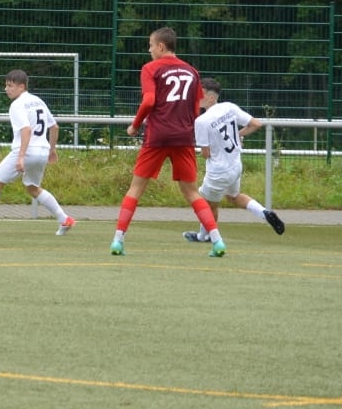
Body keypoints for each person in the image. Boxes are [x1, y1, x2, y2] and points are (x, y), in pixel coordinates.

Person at [112, 27, 224, 257]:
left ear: (161, 46)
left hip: (158, 135)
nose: (149, 50)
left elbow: (149, 100)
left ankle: (117, 240)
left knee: (136, 188)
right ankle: (217, 240)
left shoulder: (150, 68)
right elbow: (195, 108)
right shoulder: (192, 72)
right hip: (183, 136)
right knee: (192, 192)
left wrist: (135, 124)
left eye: (151, 45)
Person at [0, 70, 76, 236]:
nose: (6, 89)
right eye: (6, 85)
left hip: (27, 151)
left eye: (10, 85)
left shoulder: (17, 105)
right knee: (33, 188)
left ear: (21, 86)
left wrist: (22, 156)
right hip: (42, 151)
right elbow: (54, 127)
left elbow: (26, 129)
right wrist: (52, 149)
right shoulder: (38, 101)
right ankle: (64, 219)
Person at [183, 77, 285, 243]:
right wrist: (238, 134)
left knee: (205, 203)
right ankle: (265, 213)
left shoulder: (201, 121)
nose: (196, 97)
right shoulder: (229, 107)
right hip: (235, 165)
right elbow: (256, 124)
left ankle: (204, 236)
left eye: (199, 94)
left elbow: (205, 153)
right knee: (234, 196)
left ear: (210, 97)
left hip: (219, 171)